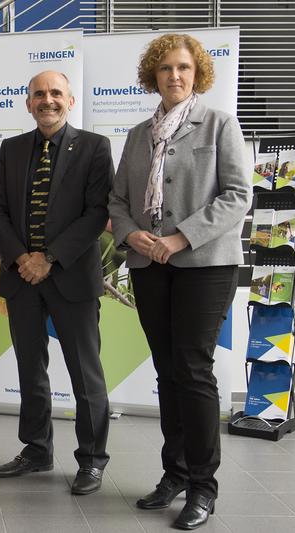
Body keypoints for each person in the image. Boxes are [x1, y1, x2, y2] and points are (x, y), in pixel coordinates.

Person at [108, 33, 251, 530]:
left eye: (184, 68)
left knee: (192, 368)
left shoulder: (218, 124)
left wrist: (180, 238)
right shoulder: (135, 136)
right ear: (153, 75)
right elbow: (117, 202)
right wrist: (135, 236)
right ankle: (175, 473)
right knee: (168, 370)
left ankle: (202, 488)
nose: (175, 75)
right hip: (149, 266)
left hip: (204, 265)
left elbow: (238, 196)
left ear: (198, 74)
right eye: (165, 68)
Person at [0, 70, 112, 496]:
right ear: (28, 103)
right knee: (30, 369)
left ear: (70, 100)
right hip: (21, 277)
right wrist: (22, 258)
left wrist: (50, 258)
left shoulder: (95, 148)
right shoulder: (11, 149)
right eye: (39, 94)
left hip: (71, 277)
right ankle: (37, 450)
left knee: (85, 372)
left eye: (56, 93)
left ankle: (92, 460)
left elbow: (96, 213)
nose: (47, 100)